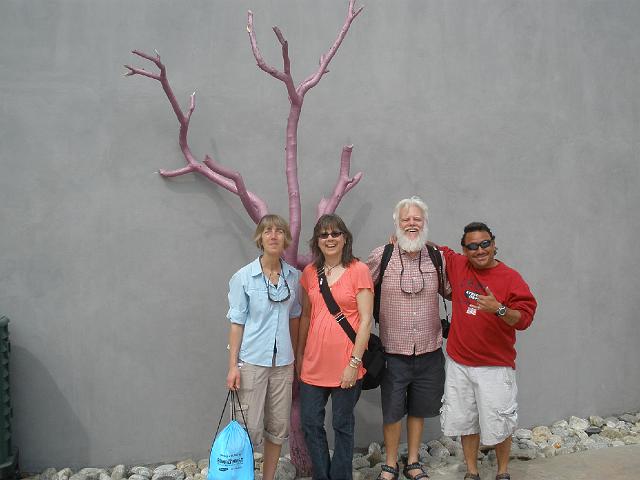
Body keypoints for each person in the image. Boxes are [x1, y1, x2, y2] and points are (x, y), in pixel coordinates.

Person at [437, 222, 537, 480]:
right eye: (472, 246)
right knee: (465, 421)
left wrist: (500, 309)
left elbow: (525, 319)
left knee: (499, 423)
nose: (479, 250)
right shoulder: (458, 265)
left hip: (494, 366)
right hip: (459, 363)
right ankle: (472, 472)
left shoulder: (510, 278)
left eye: (484, 244)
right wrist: (404, 237)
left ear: (493, 244)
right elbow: (436, 249)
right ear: (465, 249)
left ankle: (503, 472)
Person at [366, 196, 448, 480]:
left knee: (418, 408)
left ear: (424, 223)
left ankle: (413, 461)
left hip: (429, 349)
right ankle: (391, 463)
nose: (411, 224)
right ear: (397, 223)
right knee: (392, 410)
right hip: (393, 351)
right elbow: (360, 289)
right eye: (406, 219)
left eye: (417, 219)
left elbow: (451, 290)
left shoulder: (437, 257)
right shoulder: (382, 255)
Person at [296, 214, 374, 480]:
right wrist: (300, 354)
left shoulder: (358, 270)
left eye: (335, 233)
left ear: (345, 238)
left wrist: (354, 364)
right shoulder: (309, 273)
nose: (330, 239)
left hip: (346, 365)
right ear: (316, 241)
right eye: (323, 235)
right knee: (310, 423)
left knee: (342, 425)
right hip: (313, 364)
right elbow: (307, 315)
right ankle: (322, 475)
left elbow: (366, 321)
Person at [226, 214, 302, 480]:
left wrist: (297, 359)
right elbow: (237, 324)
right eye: (268, 231)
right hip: (252, 363)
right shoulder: (244, 277)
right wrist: (233, 366)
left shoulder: (294, 278)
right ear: (260, 237)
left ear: (285, 239)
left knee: (277, 427)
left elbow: (295, 319)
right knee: (247, 427)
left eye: (279, 231)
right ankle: (243, 476)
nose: (273, 235)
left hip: (283, 364)